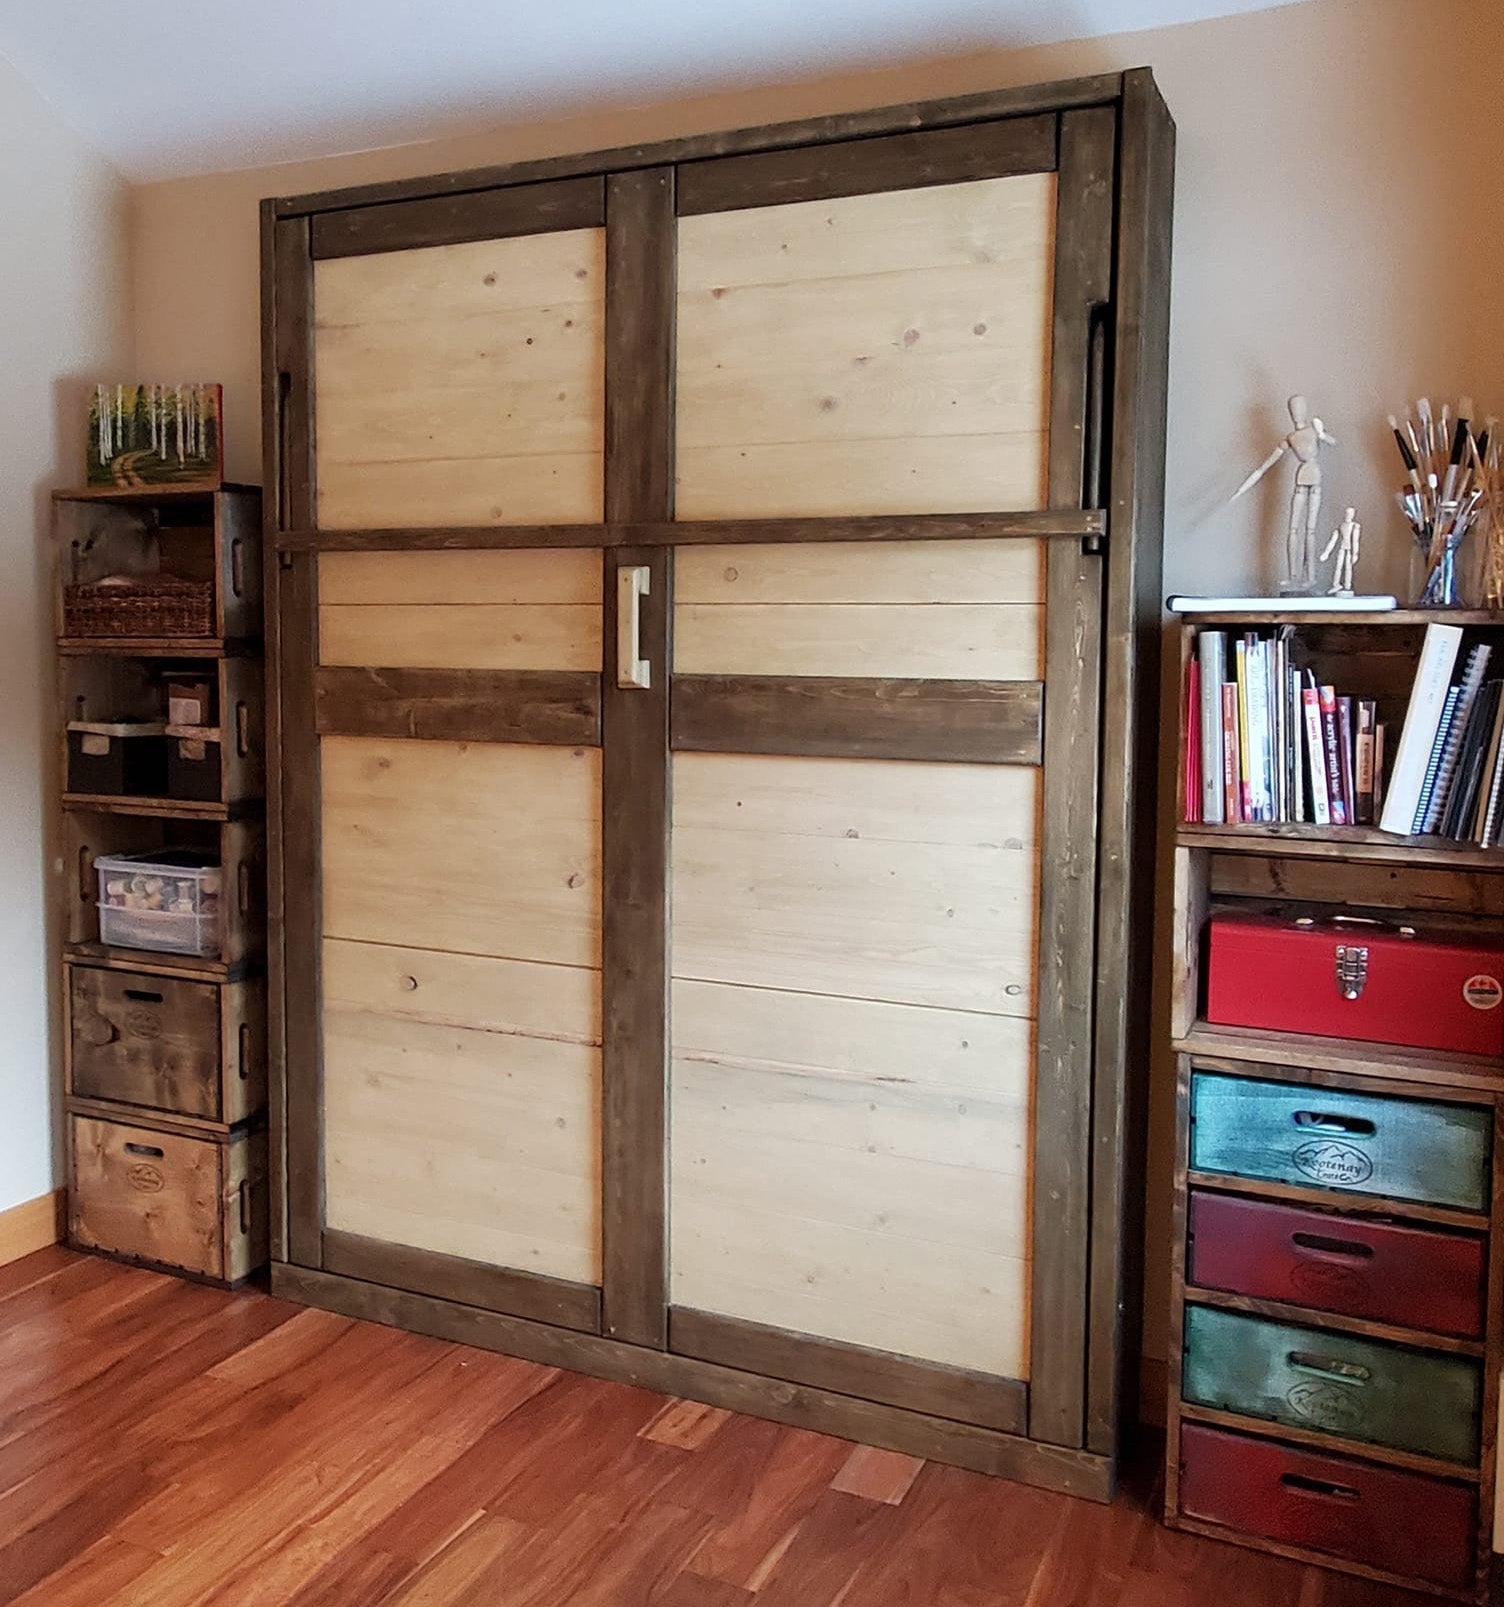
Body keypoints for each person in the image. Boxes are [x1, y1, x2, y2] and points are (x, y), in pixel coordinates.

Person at [1232, 395, 1337, 594]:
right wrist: (1242, 489)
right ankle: (1293, 576)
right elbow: (1265, 466)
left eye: (1299, 408)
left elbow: (1333, 441)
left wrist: (1322, 434)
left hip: (1314, 477)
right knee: (1293, 528)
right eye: (1293, 410)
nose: (1296, 413)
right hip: (1301, 478)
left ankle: (1310, 577)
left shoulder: (1313, 431)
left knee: (1310, 530)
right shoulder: (1290, 438)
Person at [1320, 507, 1360, 596]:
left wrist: (1355, 553)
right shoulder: (1341, 526)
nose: (1348, 515)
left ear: (1353, 515)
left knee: (1348, 568)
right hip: (1342, 549)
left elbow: (1355, 541)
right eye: (1347, 513)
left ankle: (1347, 585)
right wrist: (1327, 552)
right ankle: (1336, 584)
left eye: (1350, 513)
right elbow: (1333, 540)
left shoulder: (1355, 526)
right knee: (1338, 566)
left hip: (1349, 550)